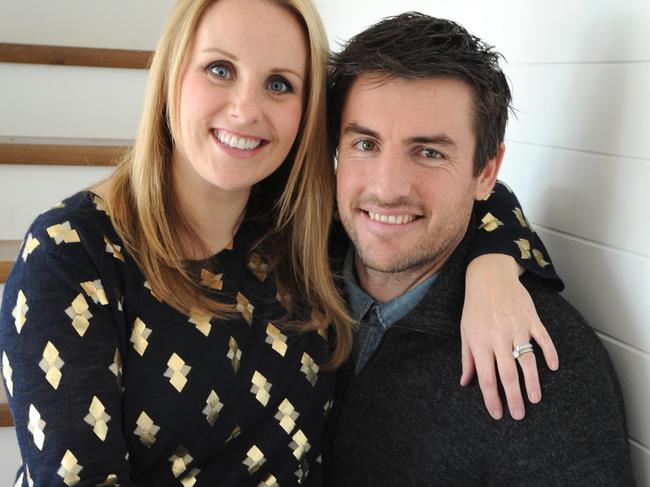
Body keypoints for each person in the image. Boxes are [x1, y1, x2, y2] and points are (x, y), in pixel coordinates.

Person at [1, 1, 559, 485]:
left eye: (279, 84)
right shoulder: (72, 253)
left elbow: (472, 193)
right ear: (172, 78)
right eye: (220, 69)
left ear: (306, 113)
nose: (246, 109)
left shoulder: (302, 229)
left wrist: (494, 268)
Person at [325, 12, 635, 486]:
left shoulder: (543, 366)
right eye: (366, 144)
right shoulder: (285, 273)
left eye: (429, 152)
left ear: (485, 173)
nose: (387, 188)